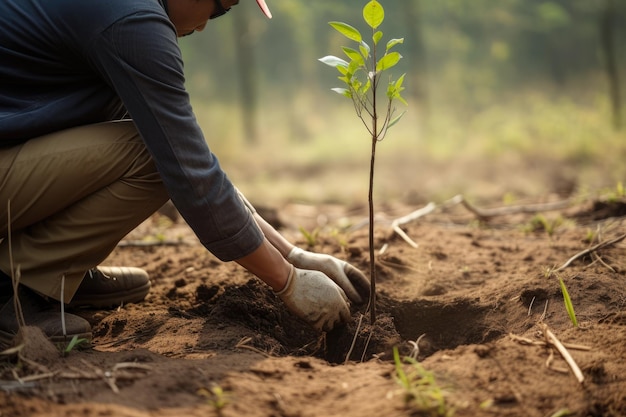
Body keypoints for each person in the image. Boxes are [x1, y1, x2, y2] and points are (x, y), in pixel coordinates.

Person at [0, 0, 370, 347]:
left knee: (146, 137)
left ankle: (53, 271)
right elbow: (184, 167)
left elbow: (191, 161)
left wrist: (293, 256)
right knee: (151, 154)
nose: (207, 25)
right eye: (221, 8)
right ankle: (15, 289)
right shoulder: (133, 23)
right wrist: (287, 282)